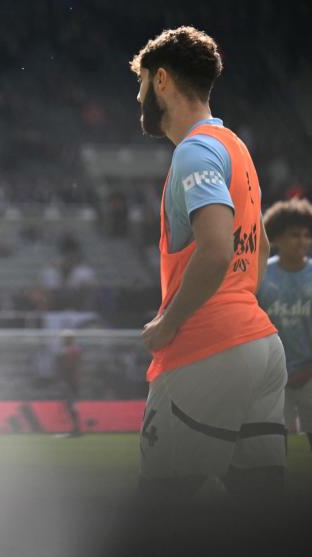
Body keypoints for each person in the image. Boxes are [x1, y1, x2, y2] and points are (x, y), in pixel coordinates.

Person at [131, 26, 286, 508]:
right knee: (259, 514)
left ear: (162, 82)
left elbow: (217, 250)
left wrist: (168, 323)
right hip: (261, 346)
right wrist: (238, 307)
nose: (139, 101)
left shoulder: (194, 151)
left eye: (140, 87)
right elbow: (258, 245)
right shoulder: (235, 147)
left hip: (205, 347)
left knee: (160, 515)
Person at [256, 197, 312, 451]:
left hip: (310, 376)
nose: (302, 241)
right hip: (274, 379)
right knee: (274, 451)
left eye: (305, 235)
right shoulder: (260, 276)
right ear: (276, 238)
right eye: (293, 235)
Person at [55, 330, 83, 437]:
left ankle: (75, 429)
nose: (62, 341)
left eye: (64, 338)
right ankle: (75, 429)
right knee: (71, 404)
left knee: (71, 404)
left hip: (70, 381)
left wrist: (63, 381)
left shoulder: (70, 351)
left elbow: (68, 367)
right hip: (73, 381)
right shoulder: (75, 350)